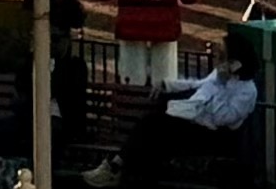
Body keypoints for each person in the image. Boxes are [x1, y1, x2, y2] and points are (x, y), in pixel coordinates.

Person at [81, 40, 257, 188]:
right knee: (153, 134)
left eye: (222, 56)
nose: (217, 60)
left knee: (153, 125)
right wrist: (168, 84)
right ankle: (118, 169)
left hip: (215, 137)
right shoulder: (218, 76)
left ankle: (115, 167)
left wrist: (219, 85)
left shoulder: (247, 91)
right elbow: (197, 85)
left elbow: (222, 118)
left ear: (236, 63)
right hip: (196, 123)